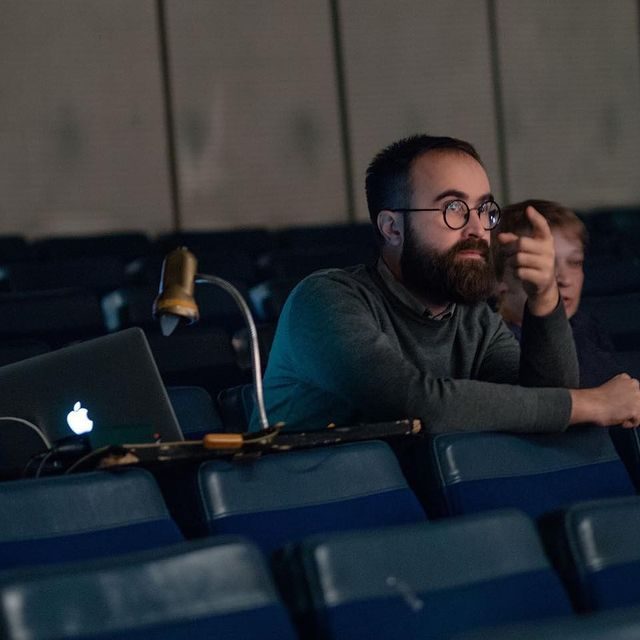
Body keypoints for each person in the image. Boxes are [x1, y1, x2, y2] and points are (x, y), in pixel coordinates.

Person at [254, 134, 640, 433]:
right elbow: (416, 405)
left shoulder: (475, 318)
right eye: (453, 208)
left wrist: (543, 298)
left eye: (484, 209)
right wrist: (591, 404)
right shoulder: (324, 300)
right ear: (392, 228)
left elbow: (542, 404)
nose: (477, 228)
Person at [494, 199, 620, 388]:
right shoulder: (497, 348)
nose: (565, 280)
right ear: (498, 279)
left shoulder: (586, 326)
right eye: (542, 265)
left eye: (575, 262)